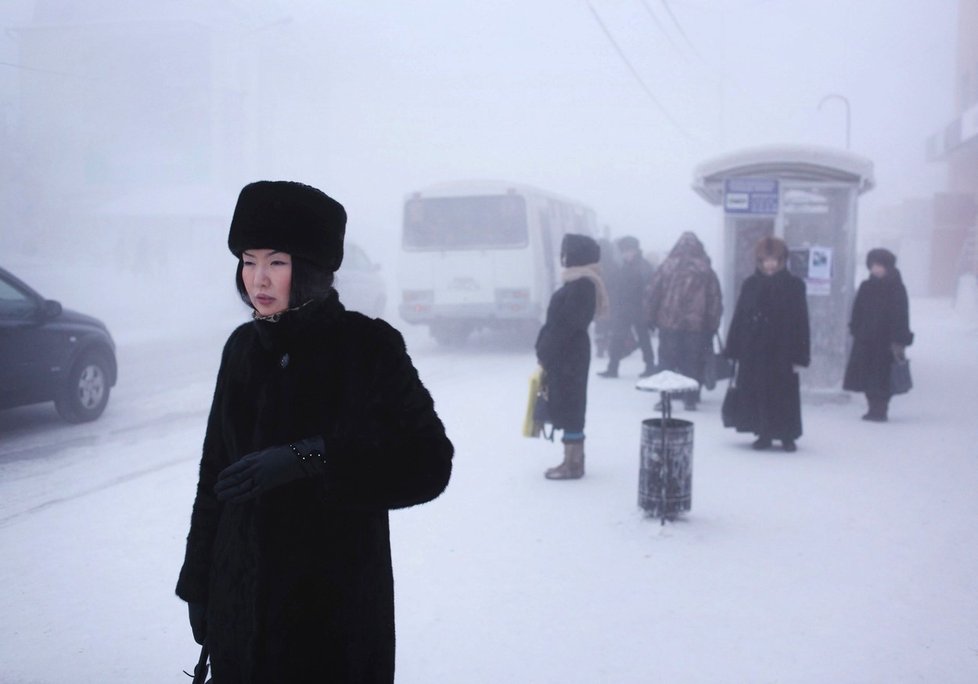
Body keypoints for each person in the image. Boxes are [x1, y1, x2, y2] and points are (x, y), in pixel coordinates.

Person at [175, 181, 454, 682]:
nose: (258, 278)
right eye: (248, 260)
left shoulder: (367, 348)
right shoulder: (241, 350)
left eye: (276, 262)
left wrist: (311, 457)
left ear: (310, 269)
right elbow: (212, 473)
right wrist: (199, 584)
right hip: (241, 608)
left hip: (332, 621)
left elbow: (429, 461)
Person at [724, 236, 810, 452]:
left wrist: (800, 354)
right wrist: (734, 348)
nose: (769, 264)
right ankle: (763, 432)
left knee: (785, 393)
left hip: (783, 350)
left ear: (782, 260)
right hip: (755, 349)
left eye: (774, 260)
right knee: (758, 391)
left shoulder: (794, 285)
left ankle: (787, 435)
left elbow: (801, 321)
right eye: (765, 260)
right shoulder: (751, 284)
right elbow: (740, 316)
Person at [535, 233, 609, 479]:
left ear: (578, 255)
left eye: (567, 252)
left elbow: (566, 324)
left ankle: (573, 464)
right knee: (569, 403)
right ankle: (570, 460)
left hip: (569, 355)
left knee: (571, 405)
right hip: (568, 353)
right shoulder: (579, 281)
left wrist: (546, 348)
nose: (563, 257)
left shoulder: (582, 284)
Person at [645, 231, 723, 410]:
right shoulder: (705, 269)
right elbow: (715, 299)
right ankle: (690, 398)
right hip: (697, 326)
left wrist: (650, 317)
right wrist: (713, 324)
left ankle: (665, 399)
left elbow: (652, 293)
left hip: (669, 323)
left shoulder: (666, 267)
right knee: (692, 362)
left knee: (666, 362)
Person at [843, 248, 914, 421]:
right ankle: (872, 407)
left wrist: (899, 338)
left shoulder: (897, 288)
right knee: (866, 375)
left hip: (887, 341)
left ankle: (880, 409)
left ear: (888, 266)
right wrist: (856, 328)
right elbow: (857, 310)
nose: (876, 269)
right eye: (873, 265)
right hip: (866, 339)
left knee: (883, 376)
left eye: (880, 265)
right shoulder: (866, 286)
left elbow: (902, 314)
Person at [597, 235, 655, 378]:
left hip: (639, 309)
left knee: (644, 339)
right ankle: (613, 368)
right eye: (623, 251)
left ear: (635, 250)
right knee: (617, 338)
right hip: (624, 309)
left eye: (628, 251)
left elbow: (650, 289)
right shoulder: (626, 266)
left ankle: (650, 366)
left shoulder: (643, 266)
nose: (625, 254)